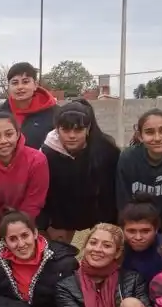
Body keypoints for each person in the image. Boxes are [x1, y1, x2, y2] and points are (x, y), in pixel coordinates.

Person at [41, 100, 119, 243]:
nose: (72, 135)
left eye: (78, 130)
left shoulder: (106, 150)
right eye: (66, 130)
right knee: (57, 251)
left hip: (97, 210)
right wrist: (47, 223)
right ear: (57, 129)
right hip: (60, 214)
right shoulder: (46, 154)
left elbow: (111, 189)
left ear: (88, 129)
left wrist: (108, 221)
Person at [0, 113, 49, 248]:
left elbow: (34, 202)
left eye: (9, 134)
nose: (3, 141)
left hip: (28, 222)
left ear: (18, 134)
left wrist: (16, 234)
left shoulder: (37, 160)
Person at [0, 62, 59, 153]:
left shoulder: (54, 114)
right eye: (15, 83)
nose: (20, 87)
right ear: (8, 86)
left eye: (25, 82)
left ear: (35, 85)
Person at [120, 198, 162, 286]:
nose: (138, 237)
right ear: (122, 230)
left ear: (156, 229)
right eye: (131, 231)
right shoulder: (114, 251)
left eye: (145, 231)